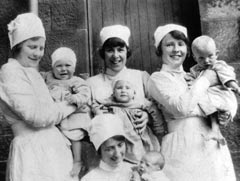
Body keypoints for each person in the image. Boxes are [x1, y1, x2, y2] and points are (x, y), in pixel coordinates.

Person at [147, 24, 237, 180]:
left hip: (211, 142)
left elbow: (224, 95)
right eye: (169, 45)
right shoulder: (158, 79)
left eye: (181, 44)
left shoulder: (195, 75)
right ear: (159, 50)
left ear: (188, 50)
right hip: (182, 145)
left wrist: (227, 113)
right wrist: (206, 80)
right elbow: (181, 108)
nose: (176, 49)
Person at [0, 13, 78, 181]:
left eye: (41, 48)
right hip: (32, 151)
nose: (38, 53)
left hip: (51, 149)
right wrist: (71, 105)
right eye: (32, 47)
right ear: (18, 46)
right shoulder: (10, 71)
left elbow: (48, 110)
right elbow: (38, 117)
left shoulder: (32, 72)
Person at [87, 25, 164, 162]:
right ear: (103, 53)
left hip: (141, 151)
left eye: (120, 50)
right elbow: (87, 120)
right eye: (110, 50)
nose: (115, 56)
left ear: (126, 52)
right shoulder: (92, 83)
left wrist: (147, 117)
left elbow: (159, 110)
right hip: (107, 153)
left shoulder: (141, 77)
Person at [41, 47, 92, 177]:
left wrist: (75, 98)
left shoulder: (76, 81)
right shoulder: (48, 78)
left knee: (75, 136)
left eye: (67, 65)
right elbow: (35, 77)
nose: (63, 69)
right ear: (52, 67)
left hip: (73, 117)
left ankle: (77, 160)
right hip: (55, 117)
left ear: (74, 68)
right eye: (58, 66)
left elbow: (85, 93)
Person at [92, 79, 162, 162]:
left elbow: (153, 108)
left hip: (137, 133)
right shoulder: (110, 102)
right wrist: (97, 111)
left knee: (142, 150)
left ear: (134, 94)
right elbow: (95, 103)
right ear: (113, 93)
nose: (123, 90)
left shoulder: (139, 102)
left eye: (127, 88)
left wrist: (158, 129)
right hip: (121, 135)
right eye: (119, 88)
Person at [187, 35, 239, 145]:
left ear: (217, 54)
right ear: (195, 58)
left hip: (221, 94)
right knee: (207, 105)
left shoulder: (218, 65)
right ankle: (215, 131)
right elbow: (193, 82)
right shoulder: (195, 70)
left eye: (210, 56)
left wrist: (236, 87)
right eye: (201, 58)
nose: (206, 61)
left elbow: (227, 77)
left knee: (222, 110)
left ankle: (222, 120)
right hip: (210, 99)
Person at [81, 113, 135, 181]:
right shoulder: (90, 179)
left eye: (120, 145)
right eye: (109, 149)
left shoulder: (134, 171)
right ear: (98, 151)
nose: (117, 154)